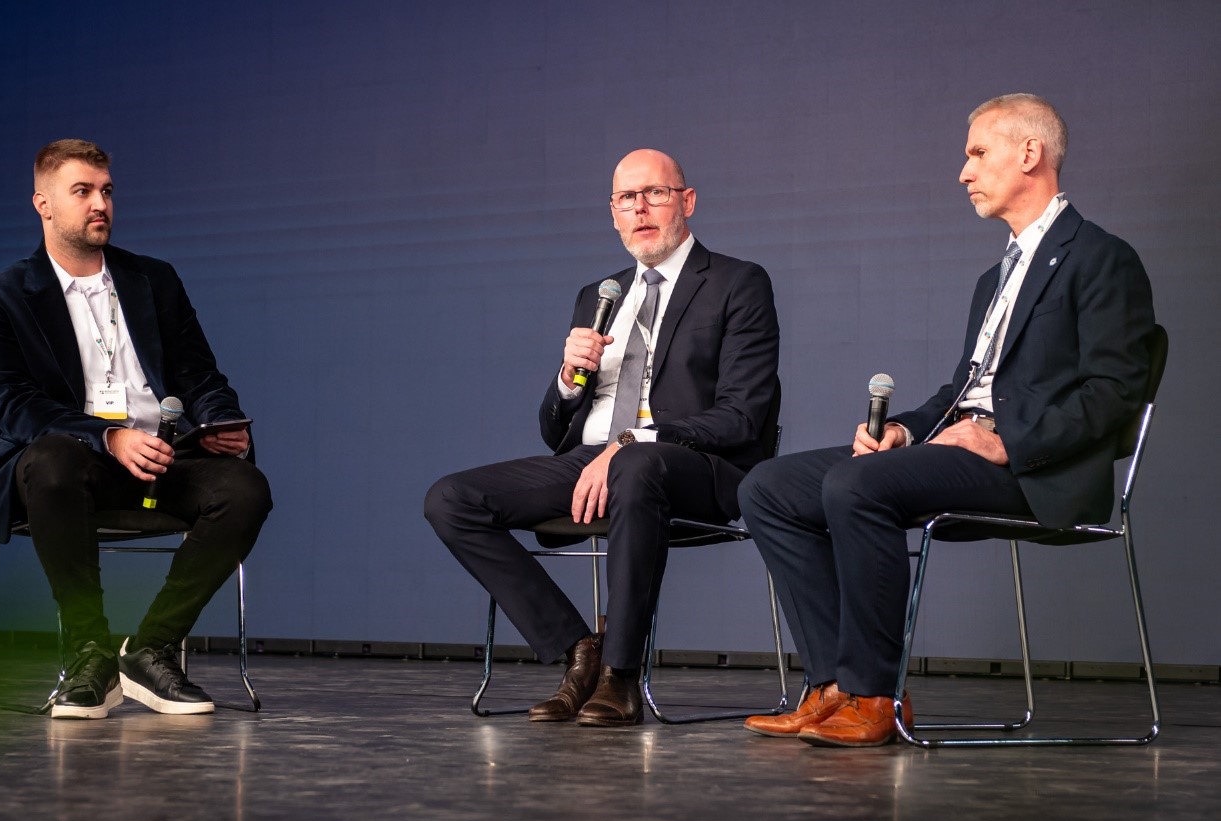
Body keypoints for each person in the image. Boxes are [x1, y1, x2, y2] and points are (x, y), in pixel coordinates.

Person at [737, 94, 1155, 747]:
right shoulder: (994, 278)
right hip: (959, 454)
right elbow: (961, 389)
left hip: (1035, 471)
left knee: (856, 486)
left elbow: (1113, 392)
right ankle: (834, 685)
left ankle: (875, 694)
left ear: (1028, 153)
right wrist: (902, 431)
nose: (963, 172)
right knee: (767, 487)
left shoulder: (1101, 258)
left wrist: (1004, 440)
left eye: (976, 153)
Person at [425, 149, 779, 726]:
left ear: (686, 202)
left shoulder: (739, 283)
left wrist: (632, 443)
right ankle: (579, 650)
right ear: (612, 214)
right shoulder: (600, 295)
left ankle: (620, 674)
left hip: (697, 465)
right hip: (592, 462)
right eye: (625, 199)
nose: (640, 209)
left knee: (639, 466)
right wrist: (567, 381)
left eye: (655, 194)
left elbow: (741, 416)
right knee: (451, 499)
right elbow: (554, 432)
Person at [0, 139, 273, 720]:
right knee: (52, 460)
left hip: (159, 458)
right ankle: (89, 653)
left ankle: (152, 649)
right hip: (72, 466)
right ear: (44, 204)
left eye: (106, 191)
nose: (99, 204)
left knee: (245, 490)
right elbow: (13, 404)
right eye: (81, 191)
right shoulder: (1, 296)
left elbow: (199, 373)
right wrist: (106, 436)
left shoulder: (153, 280)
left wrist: (216, 422)